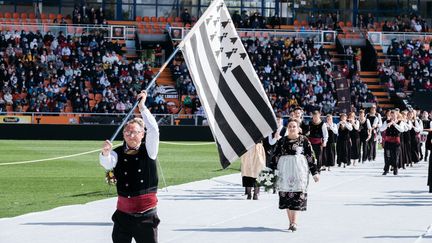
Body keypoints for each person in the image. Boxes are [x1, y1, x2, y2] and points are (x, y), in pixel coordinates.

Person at [100, 91, 160, 243]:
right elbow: (106, 164)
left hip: (145, 215)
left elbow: (154, 130)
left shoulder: (150, 150)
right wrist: (105, 153)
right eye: (127, 132)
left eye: (133, 132)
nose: (130, 135)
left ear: (142, 134)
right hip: (123, 215)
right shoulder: (117, 152)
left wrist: (142, 107)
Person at [273, 118, 319, 232]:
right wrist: (270, 171)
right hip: (284, 171)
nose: (292, 128)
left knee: (297, 196)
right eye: (290, 126)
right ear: (287, 128)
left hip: (299, 171)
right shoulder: (282, 141)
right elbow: (275, 156)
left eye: (294, 126)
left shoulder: (304, 140)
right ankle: (291, 222)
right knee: (286, 196)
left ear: (299, 128)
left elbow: (310, 156)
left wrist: (315, 173)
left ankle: (294, 222)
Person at [380, 110, 404, 175]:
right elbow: (381, 129)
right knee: (387, 155)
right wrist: (386, 125)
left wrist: (394, 124)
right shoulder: (386, 121)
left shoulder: (400, 122)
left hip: (396, 141)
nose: (393, 116)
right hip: (388, 141)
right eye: (391, 115)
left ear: (396, 115)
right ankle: (386, 169)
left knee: (395, 156)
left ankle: (395, 168)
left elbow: (402, 130)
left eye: (394, 115)